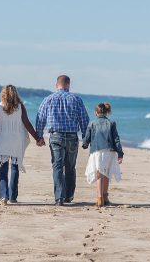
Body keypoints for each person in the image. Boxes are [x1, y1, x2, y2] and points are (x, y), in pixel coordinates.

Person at [34, 75, 89, 205]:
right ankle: (69, 195)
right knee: (70, 167)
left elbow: (40, 118)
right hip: (72, 136)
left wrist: (39, 136)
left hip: (56, 136)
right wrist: (86, 138)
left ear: (56, 85)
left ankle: (59, 197)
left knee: (57, 166)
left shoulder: (48, 99)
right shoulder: (76, 99)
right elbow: (84, 120)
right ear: (69, 84)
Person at [0, 84, 44, 205]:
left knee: (2, 169)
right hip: (16, 141)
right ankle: (13, 196)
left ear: (3, 95)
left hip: (2, 140)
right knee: (14, 167)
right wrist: (37, 138)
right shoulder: (20, 107)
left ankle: (3, 196)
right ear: (15, 94)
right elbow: (27, 124)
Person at [82, 102, 124, 207]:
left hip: (96, 151)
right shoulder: (112, 123)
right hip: (110, 151)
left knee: (99, 174)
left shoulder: (92, 123)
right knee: (107, 174)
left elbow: (87, 137)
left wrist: (85, 144)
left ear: (96, 113)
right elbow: (116, 139)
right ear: (107, 112)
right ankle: (105, 196)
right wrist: (120, 153)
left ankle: (99, 198)